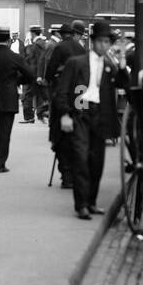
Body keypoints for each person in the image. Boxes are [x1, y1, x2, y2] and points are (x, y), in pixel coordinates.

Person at [53, 19, 128, 219]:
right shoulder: (76, 63)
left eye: (107, 42)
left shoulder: (110, 66)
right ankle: (81, 205)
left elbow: (124, 86)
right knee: (81, 159)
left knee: (97, 162)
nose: (104, 46)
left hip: (101, 116)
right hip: (81, 113)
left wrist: (122, 66)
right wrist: (66, 114)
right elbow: (61, 92)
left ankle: (92, 202)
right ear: (93, 42)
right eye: (101, 42)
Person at [0, 26, 34, 172]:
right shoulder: (15, 57)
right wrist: (17, 80)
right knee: (4, 132)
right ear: (9, 39)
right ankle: (0, 162)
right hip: (8, 99)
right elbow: (30, 75)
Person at [46, 21, 87, 188]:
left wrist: (48, 80)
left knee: (60, 134)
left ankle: (66, 175)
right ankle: (77, 172)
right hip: (80, 93)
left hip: (62, 92)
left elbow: (51, 69)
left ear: (62, 35)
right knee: (78, 131)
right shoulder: (81, 48)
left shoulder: (60, 47)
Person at [21, 25, 49, 123]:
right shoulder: (44, 43)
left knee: (28, 95)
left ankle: (29, 117)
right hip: (41, 74)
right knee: (42, 95)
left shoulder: (35, 45)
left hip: (34, 74)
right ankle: (42, 113)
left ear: (32, 33)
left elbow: (35, 61)